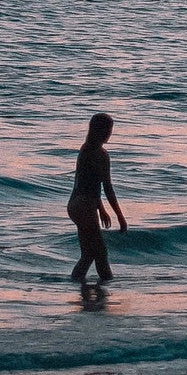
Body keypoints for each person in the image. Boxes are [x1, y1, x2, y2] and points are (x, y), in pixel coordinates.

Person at [67, 113, 129, 285]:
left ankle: (78, 286)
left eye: (110, 130)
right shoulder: (99, 154)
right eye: (107, 130)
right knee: (100, 253)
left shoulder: (85, 149)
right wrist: (120, 216)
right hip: (84, 205)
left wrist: (101, 209)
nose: (109, 133)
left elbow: (91, 184)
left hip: (76, 205)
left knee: (88, 254)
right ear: (98, 130)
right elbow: (107, 188)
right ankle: (106, 289)